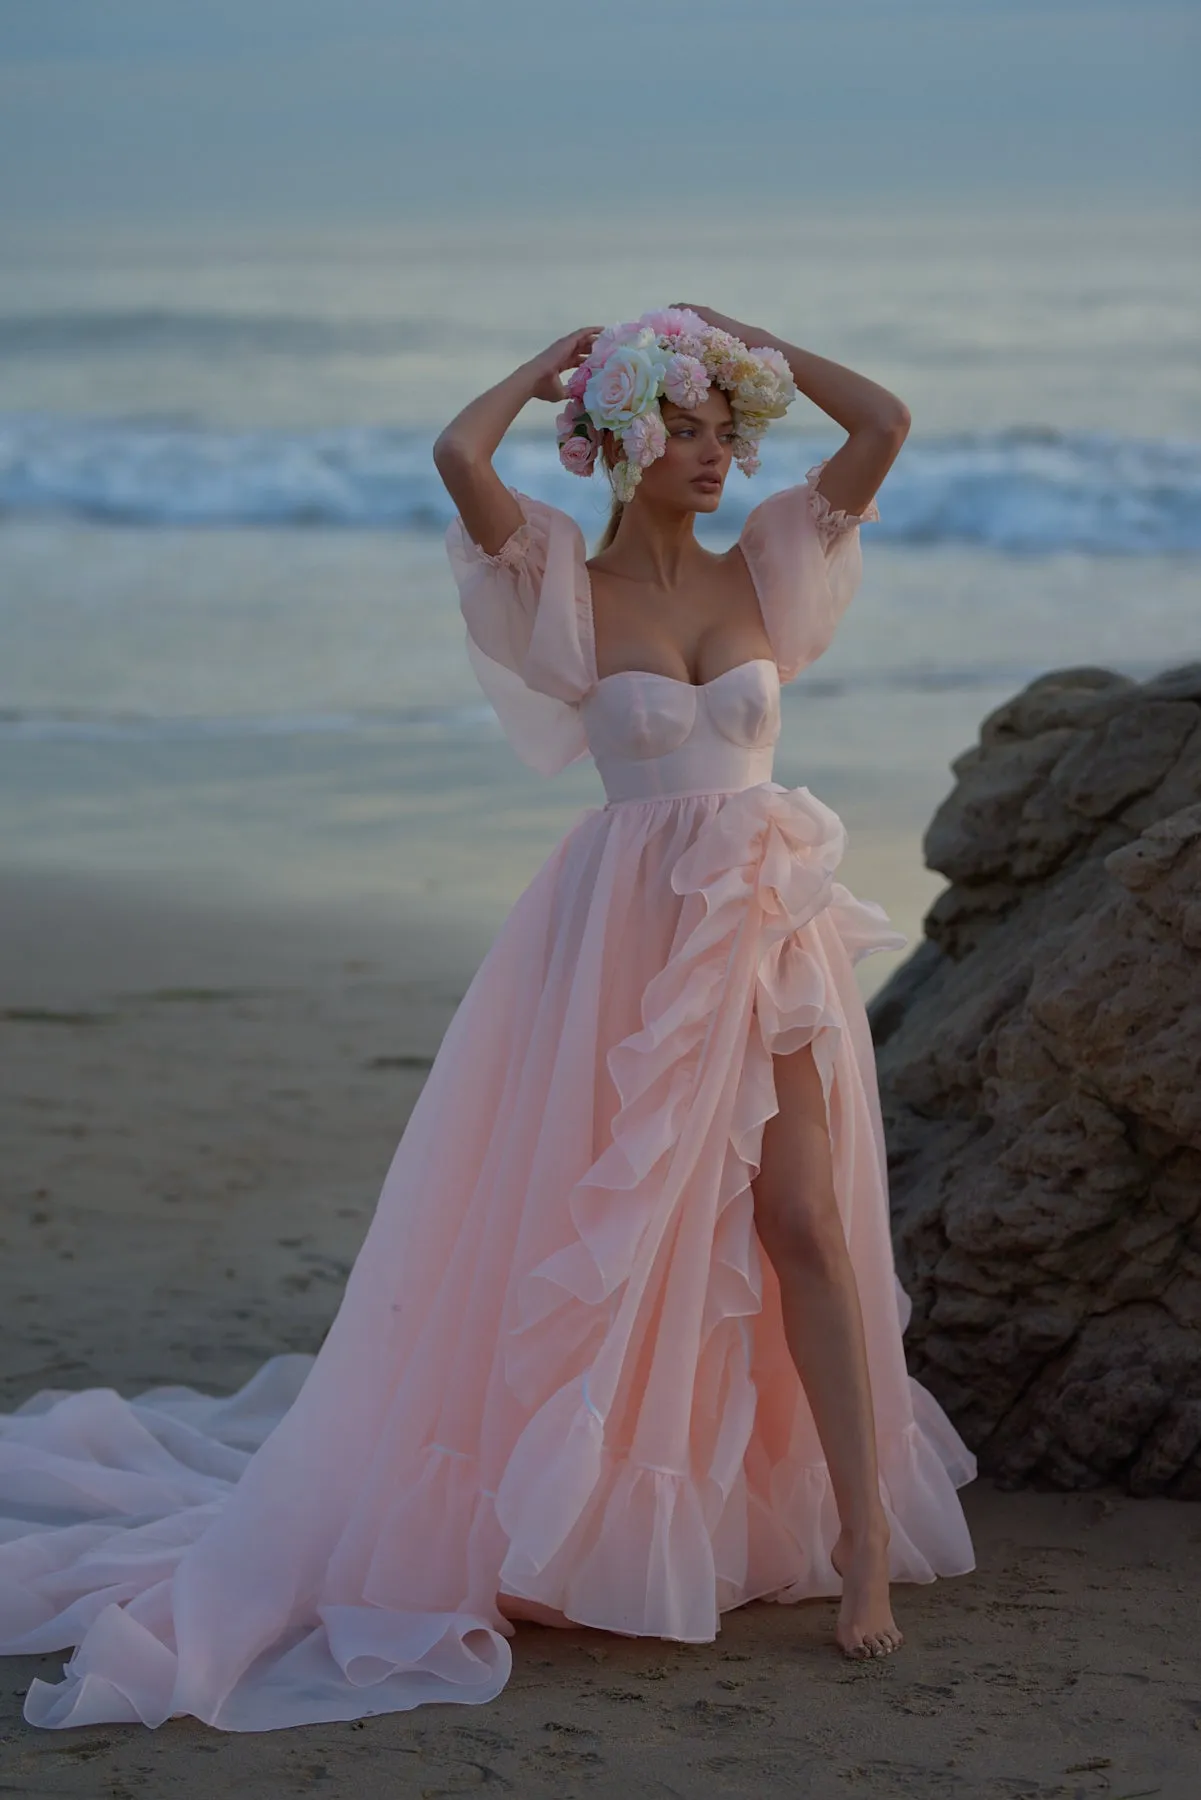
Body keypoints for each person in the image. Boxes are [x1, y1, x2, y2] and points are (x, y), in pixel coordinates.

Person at [0, 307, 976, 1735]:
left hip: (766, 930)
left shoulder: (771, 563)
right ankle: (578, 1517)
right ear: (624, 443)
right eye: (685, 430)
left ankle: (865, 1558)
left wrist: (751, 341)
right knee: (613, 1236)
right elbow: (458, 450)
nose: (716, 458)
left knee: (808, 1229)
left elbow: (884, 422)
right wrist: (565, 368)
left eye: (728, 432)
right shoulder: (560, 588)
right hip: (623, 945)